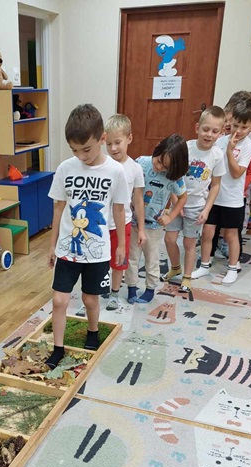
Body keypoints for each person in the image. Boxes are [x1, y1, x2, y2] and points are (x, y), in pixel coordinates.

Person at [46, 104, 128, 367]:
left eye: (86, 149)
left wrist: (121, 245)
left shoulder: (115, 171)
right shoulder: (65, 169)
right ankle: (58, 348)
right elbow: (58, 208)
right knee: (59, 299)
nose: (81, 156)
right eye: (74, 150)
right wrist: (52, 246)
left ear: (102, 139)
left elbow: (118, 210)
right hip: (68, 248)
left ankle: (93, 331)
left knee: (90, 299)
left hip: (98, 251)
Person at [192, 97, 251, 284]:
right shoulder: (220, 140)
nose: (238, 131)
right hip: (214, 197)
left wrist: (230, 151)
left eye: (244, 127)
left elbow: (237, 173)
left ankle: (233, 267)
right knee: (207, 232)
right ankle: (204, 265)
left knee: (231, 234)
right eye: (235, 125)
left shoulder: (248, 146)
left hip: (233, 199)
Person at [162, 106, 225, 292]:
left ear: (221, 133)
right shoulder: (185, 148)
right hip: (177, 202)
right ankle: (175, 268)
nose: (209, 135)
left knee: (189, 243)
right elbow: (171, 176)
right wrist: (175, 202)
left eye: (215, 131)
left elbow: (215, 185)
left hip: (197, 207)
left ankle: (187, 276)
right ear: (197, 127)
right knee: (169, 239)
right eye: (205, 129)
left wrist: (206, 209)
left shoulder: (217, 155)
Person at [126, 134, 188, 304]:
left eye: (165, 166)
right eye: (159, 161)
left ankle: (150, 288)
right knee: (131, 258)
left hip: (154, 226)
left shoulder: (174, 177)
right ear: (157, 148)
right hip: (133, 221)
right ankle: (131, 287)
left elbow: (183, 197)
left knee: (151, 259)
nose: (159, 167)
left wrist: (170, 216)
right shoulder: (141, 163)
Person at [103, 114, 146, 310]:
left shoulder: (135, 169)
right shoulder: (102, 165)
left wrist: (142, 229)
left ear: (129, 139)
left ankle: (114, 293)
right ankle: (99, 287)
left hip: (122, 224)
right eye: (108, 143)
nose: (113, 148)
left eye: (117, 142)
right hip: (100, 223)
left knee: (119, 261)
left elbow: (138, 200)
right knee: (99, 259)